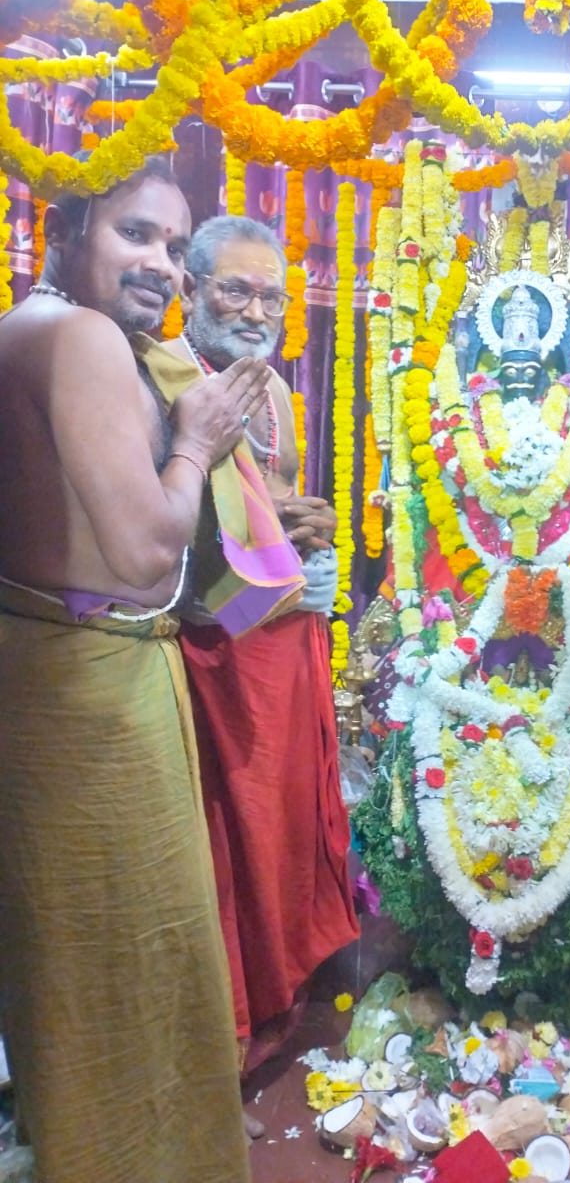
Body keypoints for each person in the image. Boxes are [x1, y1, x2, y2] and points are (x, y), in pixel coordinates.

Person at [0, 158, 275, 1182]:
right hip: (96, 696)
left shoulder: (21, 327)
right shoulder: (80, 337)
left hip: (45, 668)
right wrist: (197, 442)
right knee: (141, 966)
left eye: (173, 243)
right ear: (65, 229)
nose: (163, 263)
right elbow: (144, 551)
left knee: (71, 971)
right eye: (135, 234)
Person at [164, 214, 359, 1090]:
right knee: (224, 842)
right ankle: (219, 1040)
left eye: (270, 296)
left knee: (280, 831)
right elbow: (164, 533)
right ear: (191, 289)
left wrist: (311, 532)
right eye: (234, 290)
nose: (254, 310)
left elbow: (271, 505)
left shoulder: (275, 390)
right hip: (207, 651)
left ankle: (275, 1007)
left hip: (278, 644)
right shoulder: (164, 377)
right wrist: (271, 551)